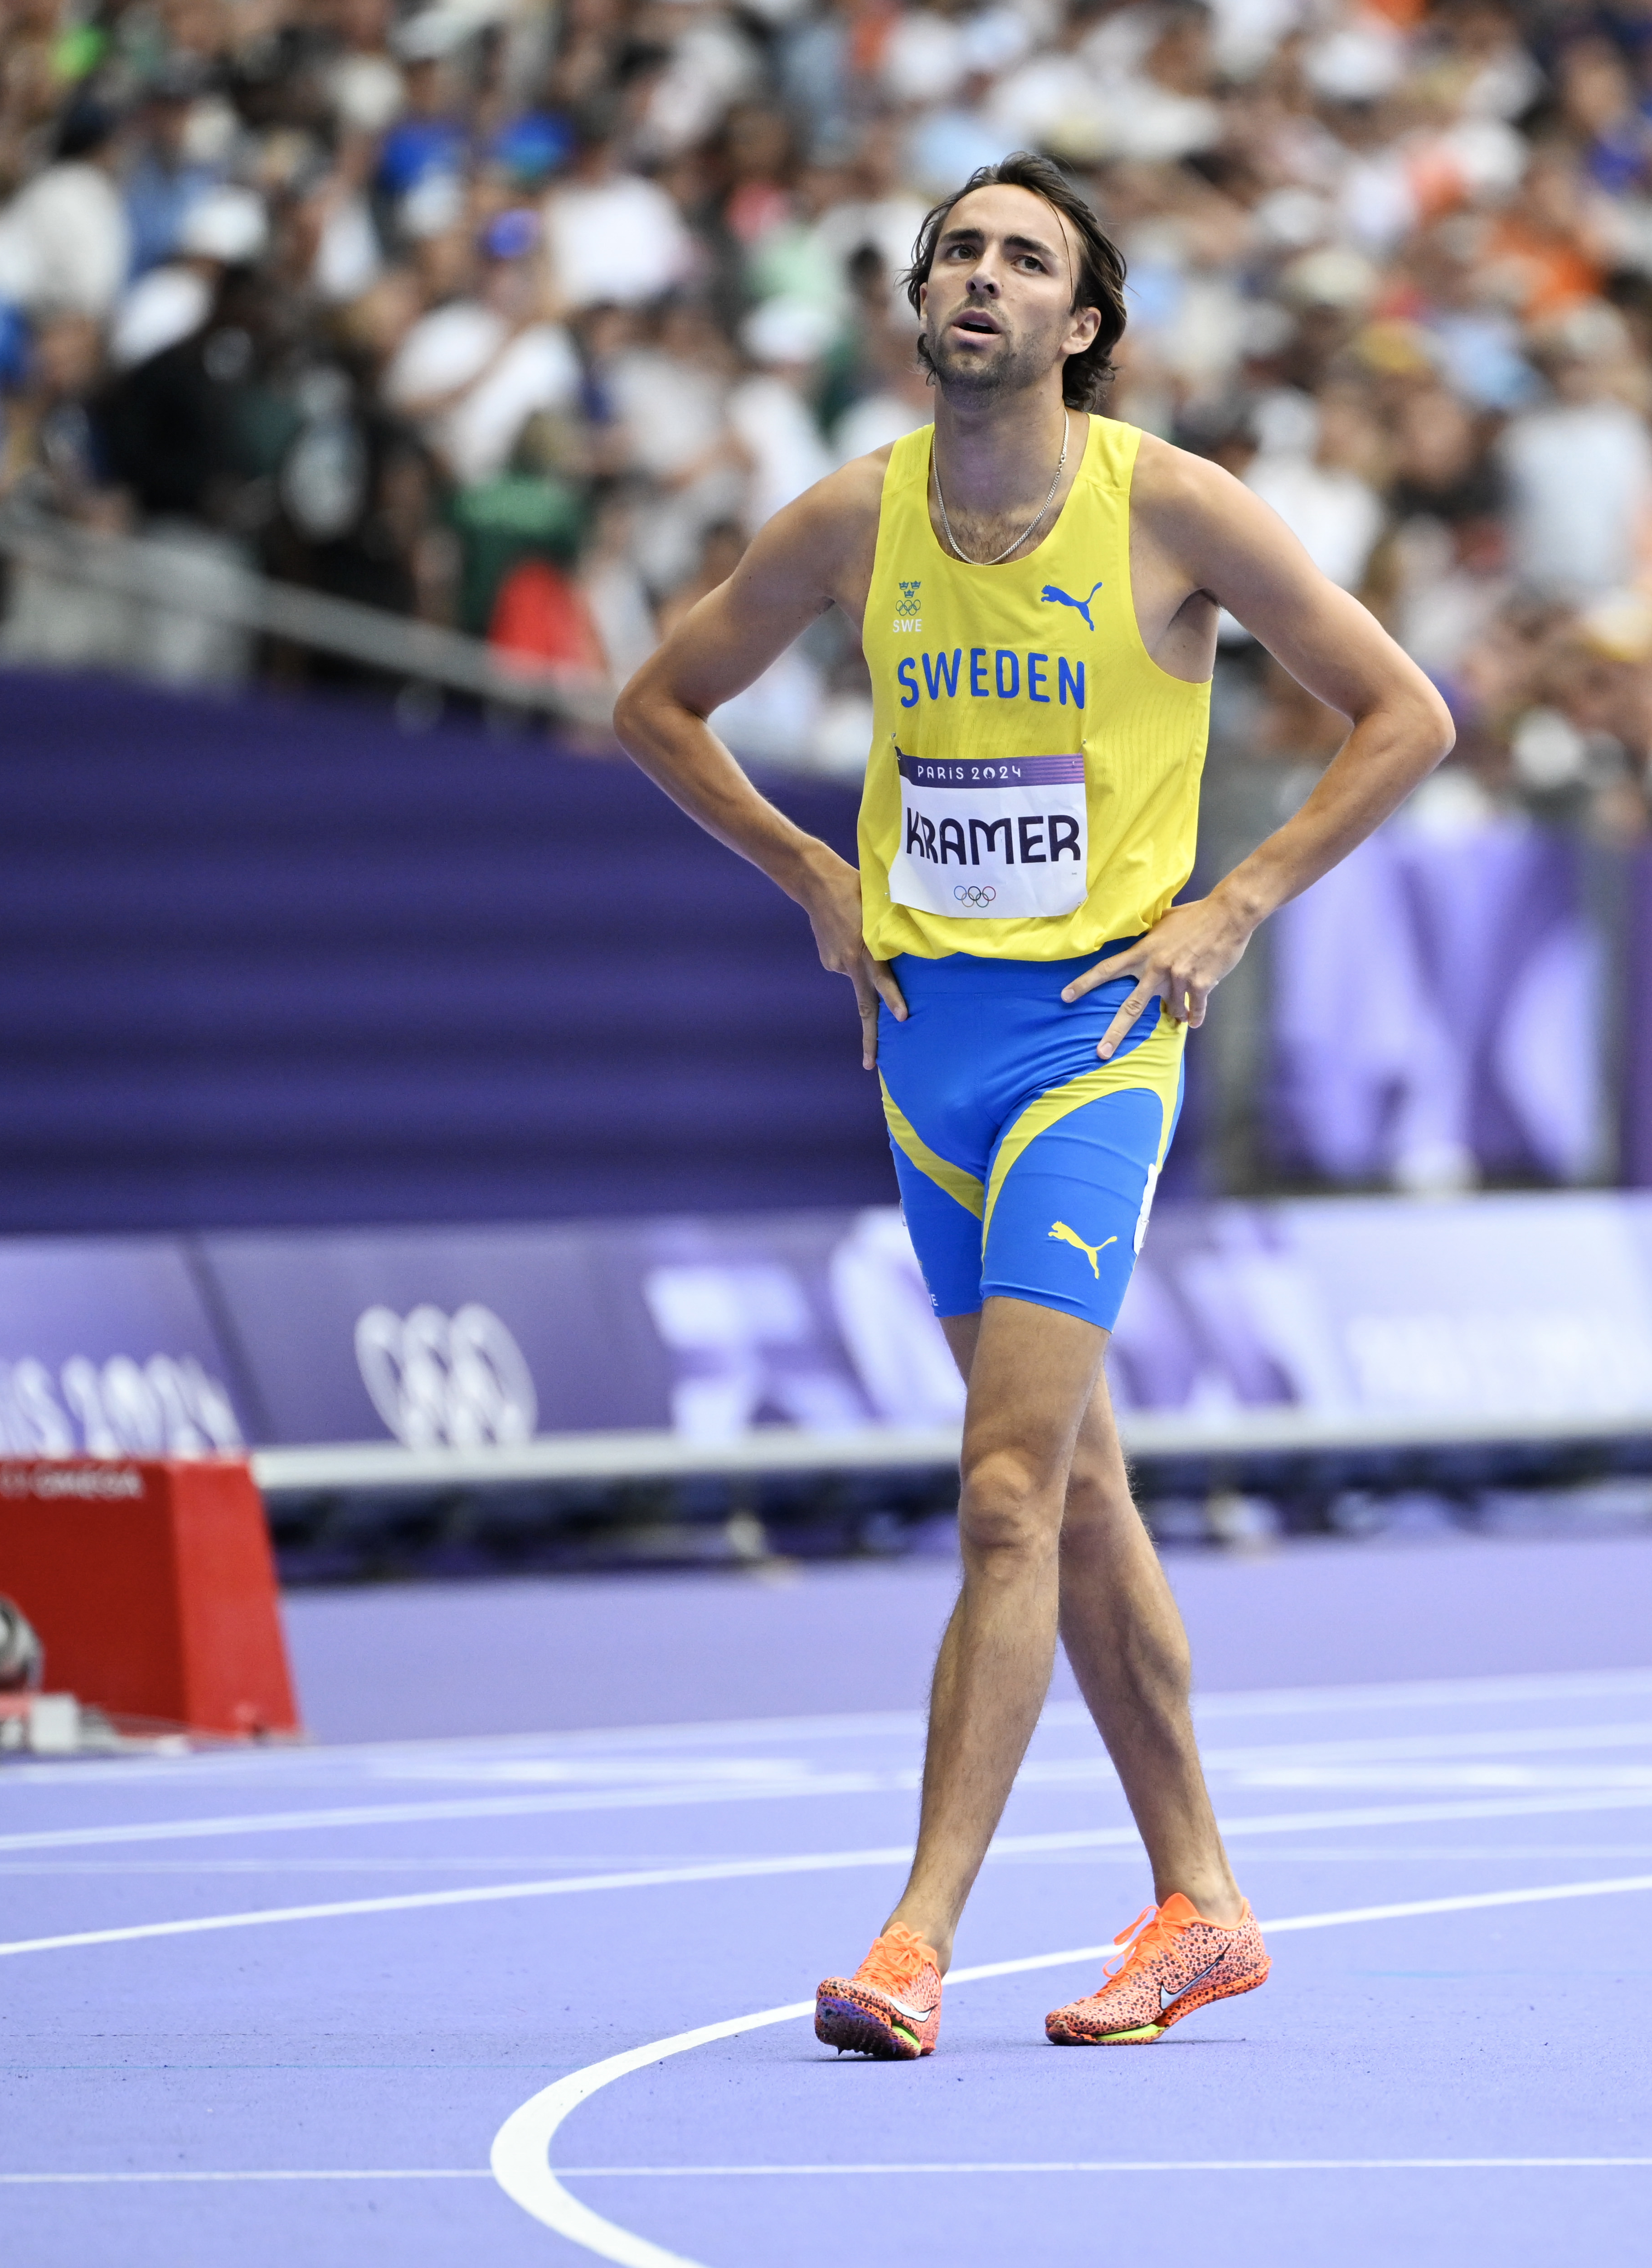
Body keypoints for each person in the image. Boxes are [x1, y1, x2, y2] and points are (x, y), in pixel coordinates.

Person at [612, 151, 1453, 2059]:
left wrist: (1232, 907)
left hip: (1092, 1044)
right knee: (1073, 1490)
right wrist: (812, 876)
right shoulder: (854, 519)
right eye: (956, 253)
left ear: (1081, 323)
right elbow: (658, 709)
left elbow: (1404, 714)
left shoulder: (1172, 508)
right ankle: (1204, 1902)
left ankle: (915, 1938)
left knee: (1004, 1488)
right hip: (925, 1064)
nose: (979, 279)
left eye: (1022, 261)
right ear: (922, 305)